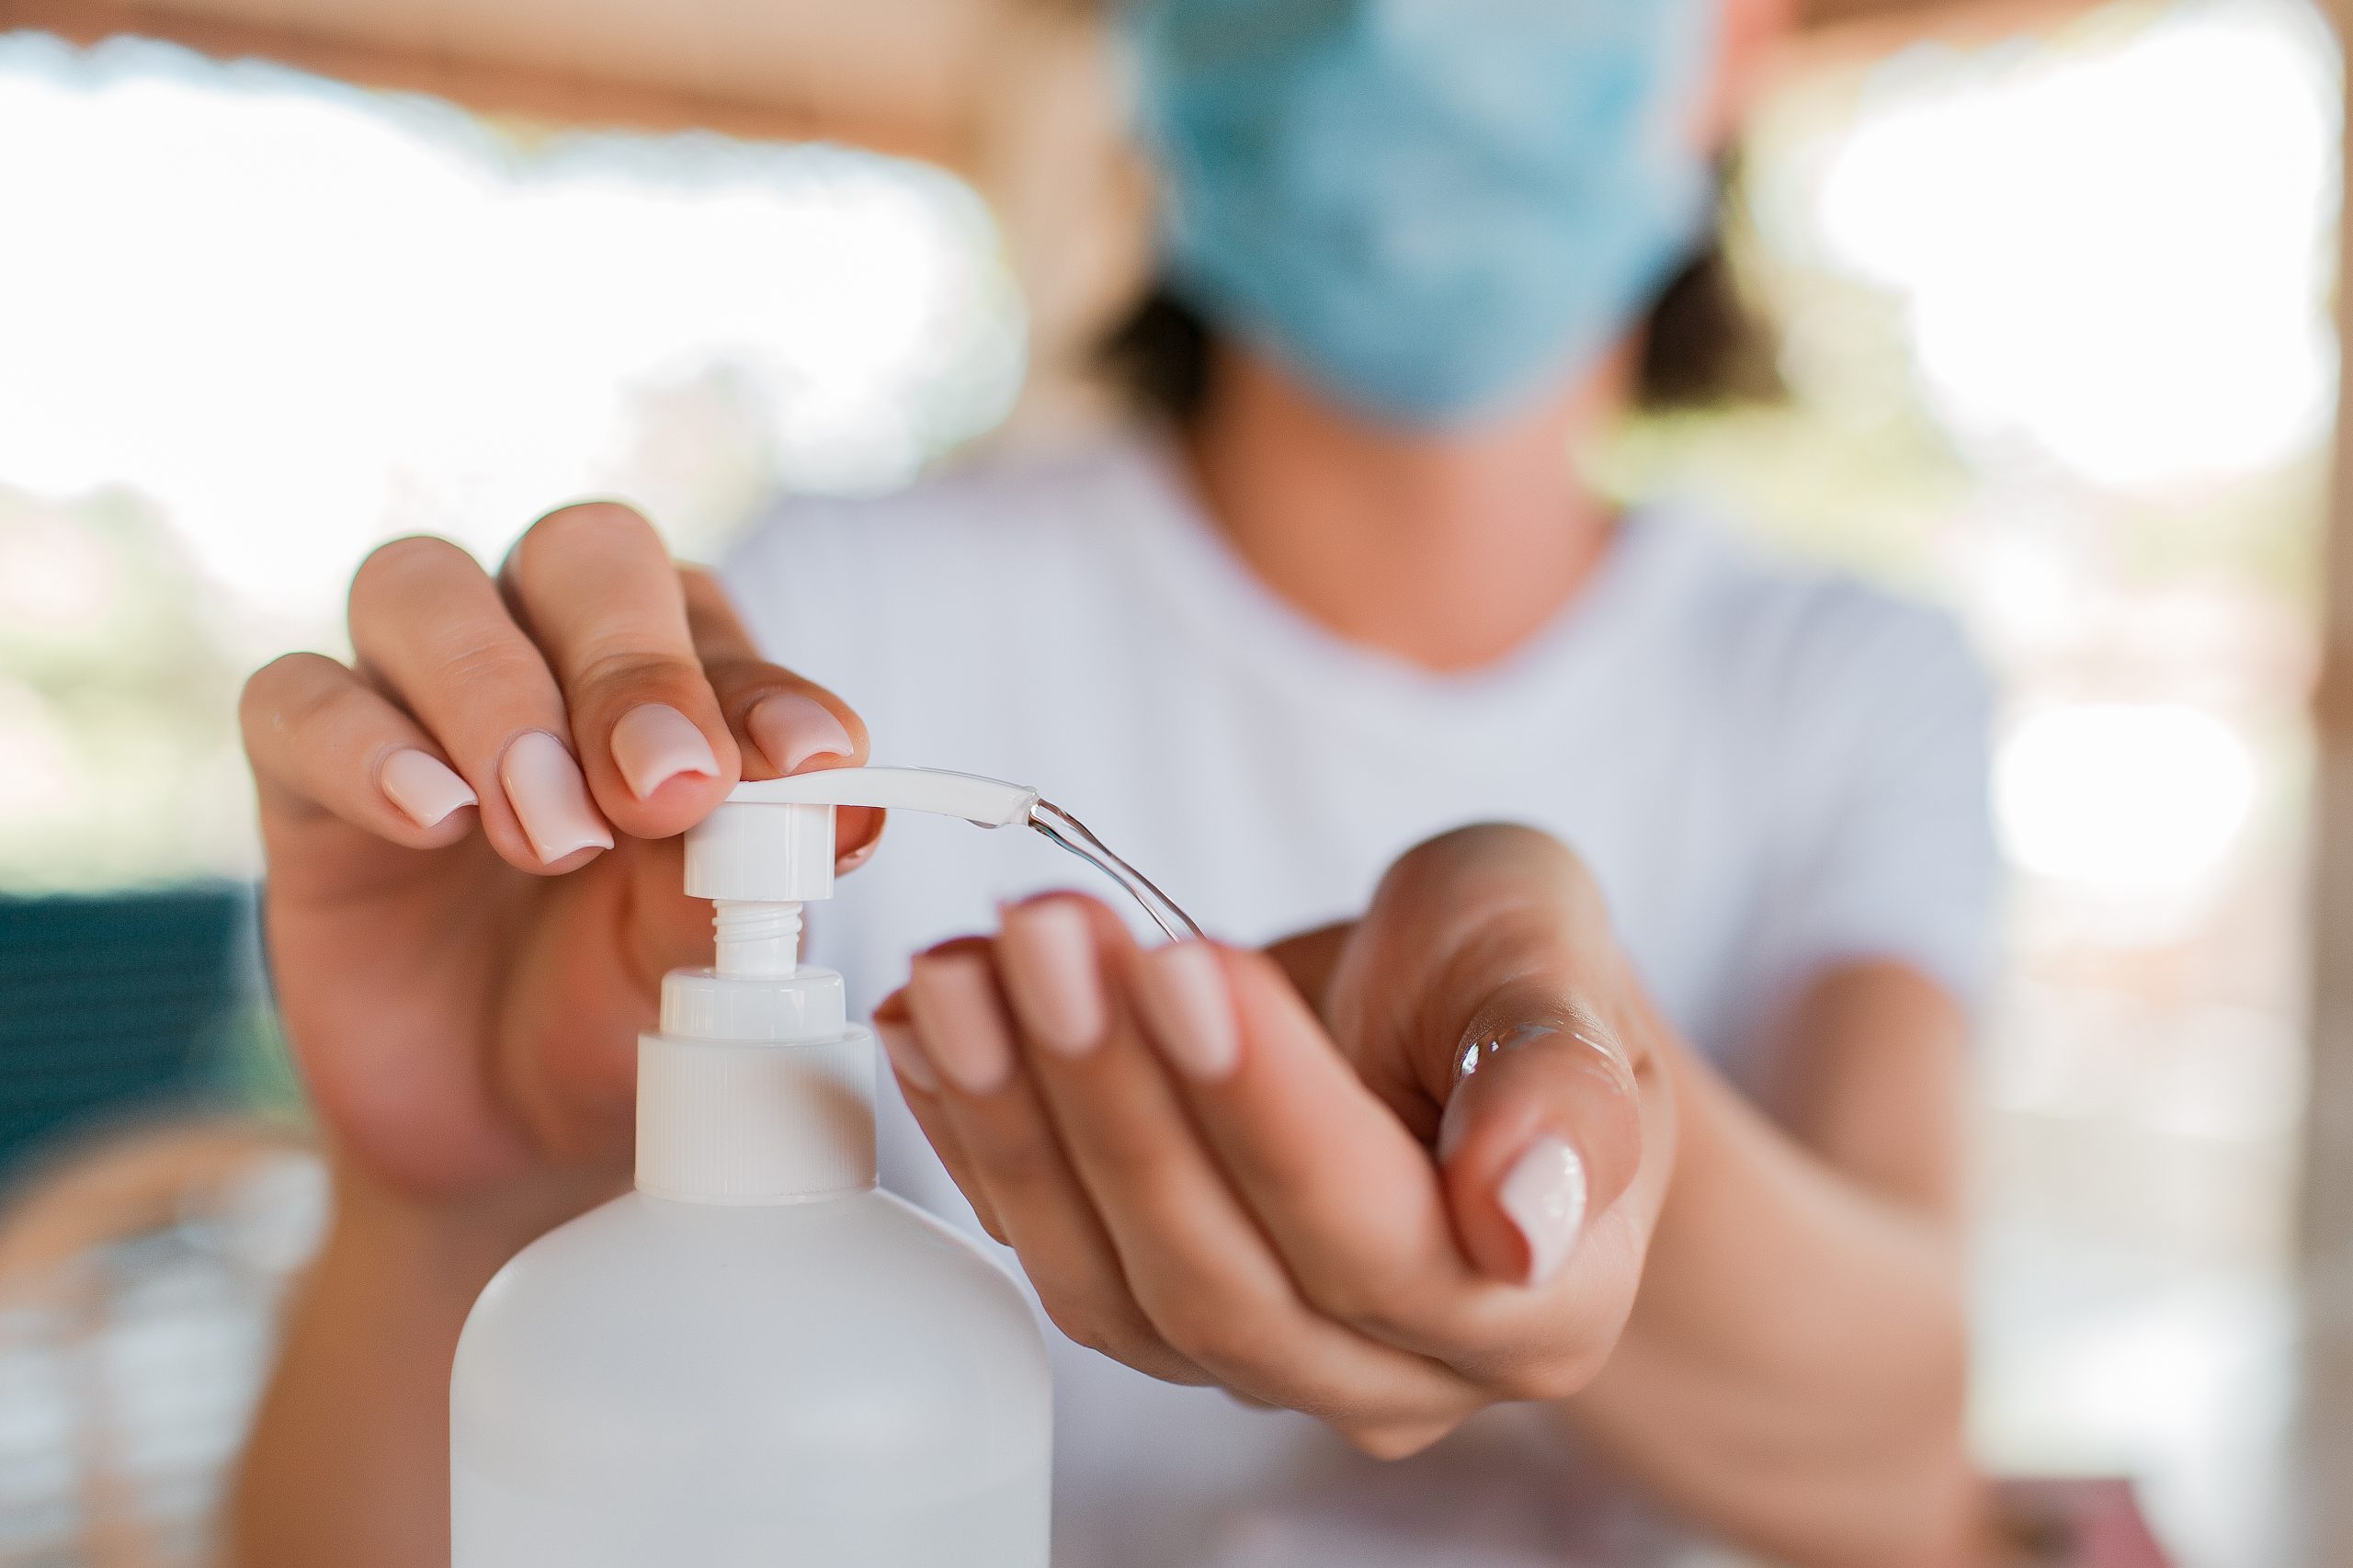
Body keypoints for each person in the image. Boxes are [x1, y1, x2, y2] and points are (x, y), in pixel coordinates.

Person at [229, 0, 2000, 1563]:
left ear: (1745, 31)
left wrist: (1568, 1105)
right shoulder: (826, 637)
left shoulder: (1844, 683)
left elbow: (1903, 1472)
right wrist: (448, 1200)